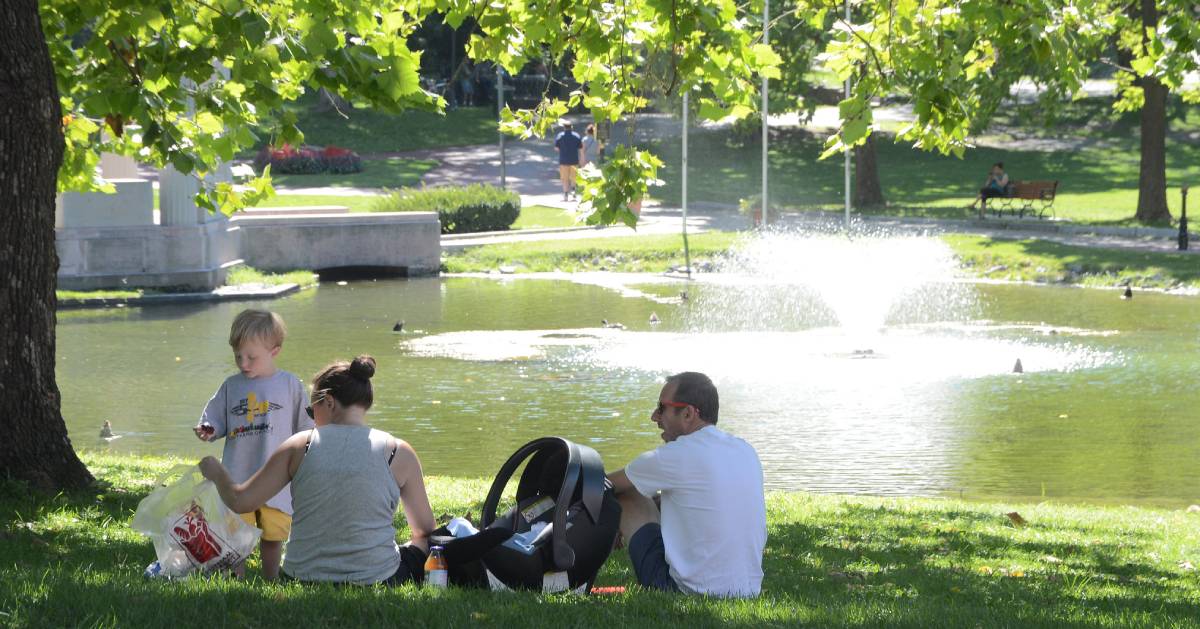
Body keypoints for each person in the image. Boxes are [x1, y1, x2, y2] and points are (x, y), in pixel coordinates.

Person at [200, 355, 436, 586]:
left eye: (312, 412)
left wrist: (216, 471)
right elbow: (425, 530)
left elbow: (241, 501)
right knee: (424, 542)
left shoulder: (300, 445)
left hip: (300, 576)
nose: (312, 420)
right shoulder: (399, 450)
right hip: (379, 577)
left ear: (329, 402)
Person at [606, 372, 767, 597]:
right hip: (748, 591)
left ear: (689, 413)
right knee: (652, 496)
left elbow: (603, 485)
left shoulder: (675, 455)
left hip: (686, 592)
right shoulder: (745, 450)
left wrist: (610, 519)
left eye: (662, 408)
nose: (654, 416)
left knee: (628, 495)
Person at [192, 309, 313, 580]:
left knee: (273, 534)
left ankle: (271, 578)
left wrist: (307, 454)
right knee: (236, 534)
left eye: (251, 357)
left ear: (275, 351)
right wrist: (208, 429)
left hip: (277, 479)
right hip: (238, 476)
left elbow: (306, 428)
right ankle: (237, 579)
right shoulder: (231, 386)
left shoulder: (290, 385)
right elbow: (215, 418)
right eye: (238, 356)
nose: (243, 363)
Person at [554, 120, 583, 201]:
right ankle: (573, 193)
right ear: (571, 127)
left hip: (563, 160)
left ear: (564, 128)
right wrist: (581, 159)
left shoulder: (560, 136)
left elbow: (556, 148)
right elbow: (580, 148)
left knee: (565, 178)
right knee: (574, 178)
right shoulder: (576, 136)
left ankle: (566, 194)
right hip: (574, 160)